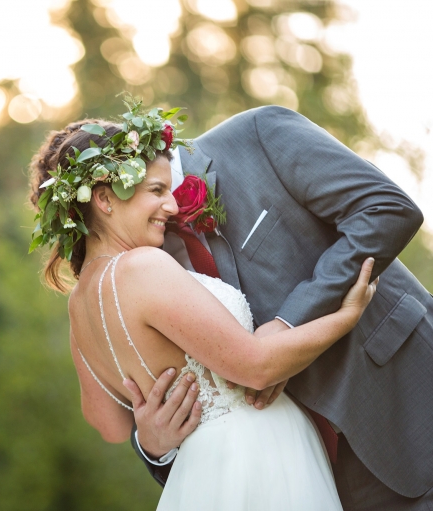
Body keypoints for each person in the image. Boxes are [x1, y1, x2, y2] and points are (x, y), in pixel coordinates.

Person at [28, 99, 379, 510]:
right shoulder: (142, 267)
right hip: (258, 454)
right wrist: (346, 316)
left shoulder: (79, 304)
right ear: (104, 199)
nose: (173, 206)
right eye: (156, 191)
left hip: (201, 473)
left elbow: (105, 422)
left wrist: (151, 438)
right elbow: (257, 367)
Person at [121, 105, 432, 511]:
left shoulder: (258, 134)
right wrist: (151, 445)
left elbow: (386, 209)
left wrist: (289, 322)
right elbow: (149, 383)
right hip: (305, 483)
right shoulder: (137, 256)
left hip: (405, 401)